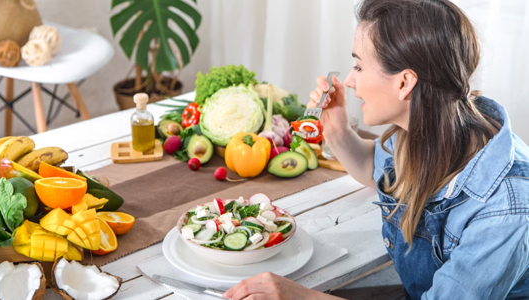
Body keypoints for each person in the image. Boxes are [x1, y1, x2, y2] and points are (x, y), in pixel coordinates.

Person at [223, 0, 529, 299]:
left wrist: (302, 297)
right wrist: (337, 128)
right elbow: (379, 171)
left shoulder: (505, 209)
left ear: (404, 83)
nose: (349, 81)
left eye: (358, 65)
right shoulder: (437, 124)